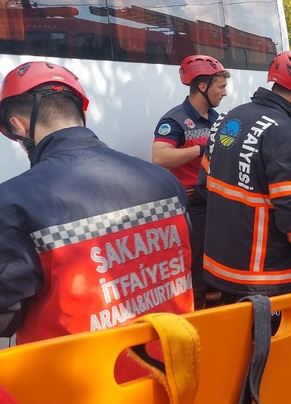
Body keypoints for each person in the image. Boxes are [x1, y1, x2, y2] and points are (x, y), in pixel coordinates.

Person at [0, 61, 193, 345]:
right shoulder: (163, 180)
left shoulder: (14, 201)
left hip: (74, 380)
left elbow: (6, 313)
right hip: (169, 366)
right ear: (81, 112)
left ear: (18, 126)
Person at [200, 50, 291, 304]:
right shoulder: (287, 135)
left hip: (219, 267)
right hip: (264, 279)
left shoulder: (229, 118)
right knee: (273, 344)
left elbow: (204, 186)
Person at [152, 55, 229, 309]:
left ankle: (217, 316)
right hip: (190, 204)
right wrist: (199, 150)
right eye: (221, 86)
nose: (225, 93)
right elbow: (160, 157)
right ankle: (196, 319)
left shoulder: (217, 118)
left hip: (214, 201)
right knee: (196, 269)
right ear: (203, 87)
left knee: (217, 264)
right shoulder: (174, 120)